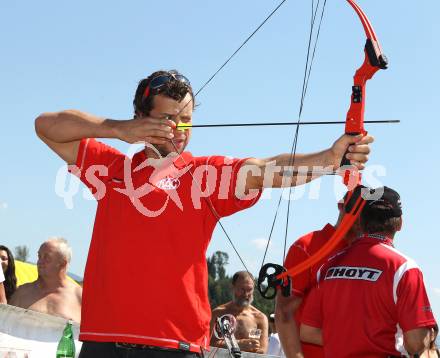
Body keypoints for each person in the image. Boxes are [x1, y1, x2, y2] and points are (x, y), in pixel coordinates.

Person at [34, 69, 373, 357]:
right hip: (104, 341)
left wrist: (330, 159)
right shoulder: (111, 169)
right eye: (167, 119)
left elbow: (265, 169)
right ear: (140, 117)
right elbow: (46, 125)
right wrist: (118, 129)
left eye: (186, 120)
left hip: (175, 345)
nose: (179, 129)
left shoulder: (203, 176)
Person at [300, 187, 437, 357]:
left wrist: (350, 340)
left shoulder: (328, 266)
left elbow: (308, 331)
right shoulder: (404, 267)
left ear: (360, 221)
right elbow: (416, 344)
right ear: (400, 223)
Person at [275, 195, 359, 358]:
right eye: (353, 211)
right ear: (340, 207)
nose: (357, 220)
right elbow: (284, 312)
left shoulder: (367, 254)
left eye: (363, 214)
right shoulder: (306, 247)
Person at [9, 238, 82, 323]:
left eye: (47, 258)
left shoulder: (79, 296)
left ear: (62, 263)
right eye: (39, 256)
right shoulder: (22, 293)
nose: (40, 262)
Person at [210, 271, 268, 354]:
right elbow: (210, 344)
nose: (246, 294)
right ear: (232, 287)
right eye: (242, 289)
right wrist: (237, 345)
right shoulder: (219, 313)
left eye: (249, 289)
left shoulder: (259, 318)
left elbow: (261, 350)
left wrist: (247, 346)